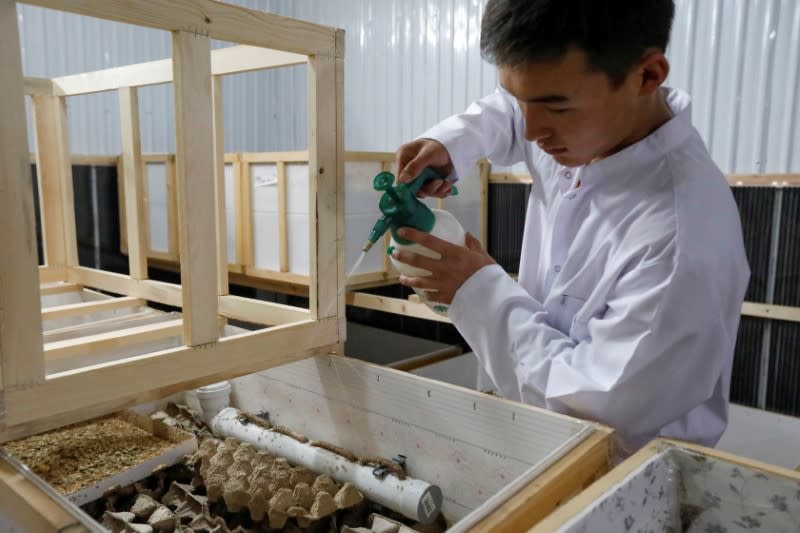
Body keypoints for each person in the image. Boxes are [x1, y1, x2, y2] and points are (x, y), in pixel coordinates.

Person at [391, 0, 750, 456]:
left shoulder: (682, 238)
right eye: (523, 99)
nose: (532, 130)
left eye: (555, 106)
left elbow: (593, 412)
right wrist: (451, 142)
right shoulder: (587, 126)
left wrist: (475, 291)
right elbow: (507, 110)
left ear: (647, 75)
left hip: (621, 478)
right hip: (536, 437)